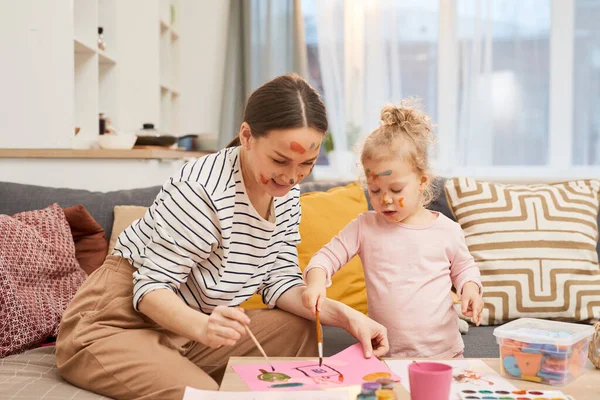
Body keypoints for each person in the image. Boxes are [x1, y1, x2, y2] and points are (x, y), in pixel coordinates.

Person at [55, 74, 389, 400]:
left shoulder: (286, 195)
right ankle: (176, 370)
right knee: (204, 394)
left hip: (185, 331)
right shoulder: (201, 191)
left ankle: (175, 364)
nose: (291, 176)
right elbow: (149, 290)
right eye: (279, 160)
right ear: (247, 136)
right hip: (116, 324)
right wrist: (202, 327)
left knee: (298, 326)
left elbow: (280, 282)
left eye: (307, 163)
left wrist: (349, 318)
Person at [302, 100, 484, 358]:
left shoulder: (447, 230)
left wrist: (470, 290)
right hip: (385, 354)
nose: (385, 199)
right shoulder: (365, 226)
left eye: (396, 190)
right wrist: (316, 282)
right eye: (375, 190)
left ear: (422, 181)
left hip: (445, 355)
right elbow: (324, 258)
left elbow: (465, 269)